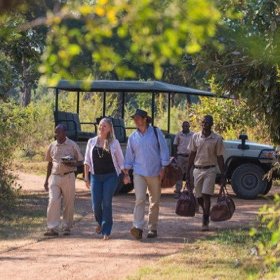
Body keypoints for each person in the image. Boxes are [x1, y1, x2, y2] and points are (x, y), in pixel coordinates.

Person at [124, 109, 170, 239]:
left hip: (155, 172)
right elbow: (129, 155)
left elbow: (164, 150)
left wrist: (163, 167)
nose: (136, 121)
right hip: (139, 173)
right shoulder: (133, 137)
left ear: (145, 119)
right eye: (135, 119)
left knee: (154, 201)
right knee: (139, 199)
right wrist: (126, 171)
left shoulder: (156, 132)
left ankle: (152, 228)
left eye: (138, 118)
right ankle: (138, 227)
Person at [84, 118, 127, 240]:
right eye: (100, 125)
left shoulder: (114, 143)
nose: (101, 128)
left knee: (106, 202)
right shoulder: (91, 142)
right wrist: (86, 177)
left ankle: (106, 230)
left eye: (104, 126)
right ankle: (101, 222)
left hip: (110, 176)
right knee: (96, 204)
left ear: (109, 129)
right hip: (95, 176)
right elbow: (87, 161)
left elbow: (121, 161)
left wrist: (126, 175)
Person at [187, 115, 226, 231]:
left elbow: (220, 157)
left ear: (212, 124)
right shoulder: (195, 137)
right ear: (201, 123)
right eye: (203, 122)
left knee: (206, 195)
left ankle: (205, 220)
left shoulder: (217, 139)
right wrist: (188, 171)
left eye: (208, 122)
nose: (205, 124)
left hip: (210, 170)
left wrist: (223, 174)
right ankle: (206, 212)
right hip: (197, 169)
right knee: (198, 196)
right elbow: (192, 154)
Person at [44, 124, 83, 236]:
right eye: (55, 132)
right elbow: (49, 163)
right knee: (53, 201)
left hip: (68, 176)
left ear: (65, 132)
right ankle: (52, 228)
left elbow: (80, 161)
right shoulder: (52, 146)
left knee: (68, 202)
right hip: (55, 177)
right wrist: (46, 180)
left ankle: (66, 227)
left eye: (59, 132)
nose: (57, 135)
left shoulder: (72, 145)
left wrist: (72, 163)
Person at [173, 121, 194, 198]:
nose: (185, 127)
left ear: (189, 127)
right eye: (184, 126)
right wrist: (175, 157)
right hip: (180, 157)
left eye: (186, 126)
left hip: (190, 157)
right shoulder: (179, 134)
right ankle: (177, 191)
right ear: (182, 127)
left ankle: (190, 191)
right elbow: (175, 145)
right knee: (179, 175)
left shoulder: (193, 135)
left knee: (190, 175)